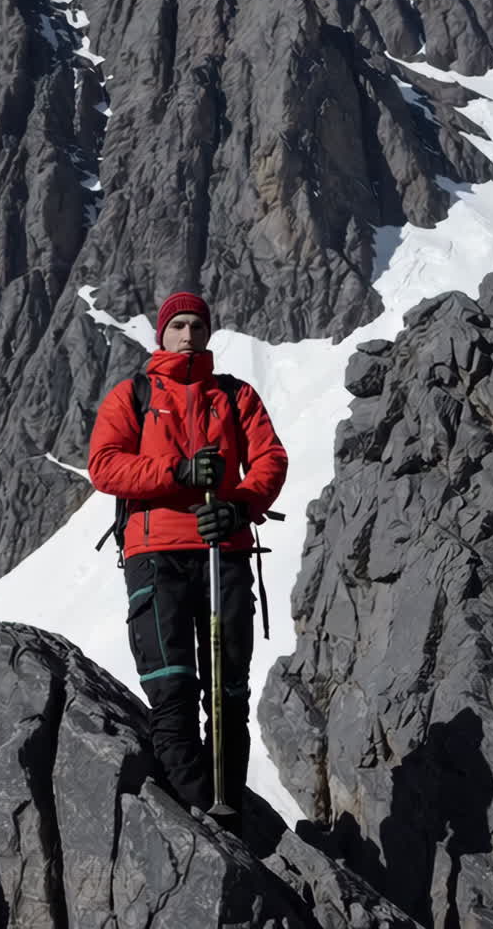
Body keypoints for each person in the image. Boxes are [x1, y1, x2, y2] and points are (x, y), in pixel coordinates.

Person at [88, 291, 288, 828]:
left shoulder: (234, 395)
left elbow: (270, 457)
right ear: (161, 333)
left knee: (228, 694)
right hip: (155, 557)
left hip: (223, 550)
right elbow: (104, 466)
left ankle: (227, 810)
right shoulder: (132, 395)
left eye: (197, 325)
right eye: (178, 325)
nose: (188, 334)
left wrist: (240, 508)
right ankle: (204, 813)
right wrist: (175, 472)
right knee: (172, 690)